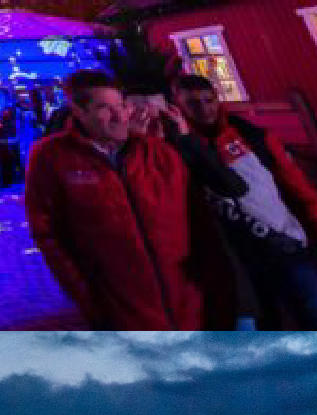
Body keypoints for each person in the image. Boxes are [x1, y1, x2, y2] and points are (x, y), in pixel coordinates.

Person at [23, 71, 207, 330]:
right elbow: (48, 232)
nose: (120, 115)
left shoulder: (157, 153)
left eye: (121, 105)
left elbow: (198, 218)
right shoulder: (51, 157)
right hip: (122, 310)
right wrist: (87, 295)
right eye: (104, 108)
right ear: (78, 111)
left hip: (186, 306)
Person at [170, 73, 317, 329]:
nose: (205, 109)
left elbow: (303, 194)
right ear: (178, 106)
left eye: (209, 100)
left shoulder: (253, 137)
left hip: (285, 246)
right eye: (194, 104)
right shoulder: (173, 150)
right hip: (240, 265)